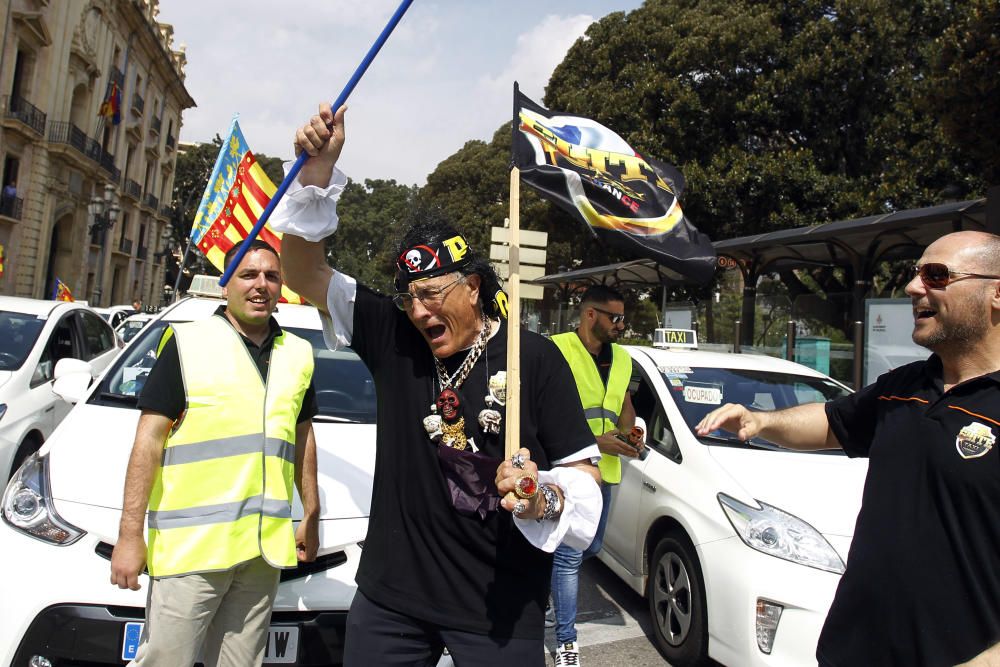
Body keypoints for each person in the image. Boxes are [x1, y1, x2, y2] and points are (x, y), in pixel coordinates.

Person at [271, 102, 603, 667]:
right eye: (411, 297)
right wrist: (318, 172)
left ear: (473, 288)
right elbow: (303, 271)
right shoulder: (391, 335)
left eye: (433, 294)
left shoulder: (535, 359)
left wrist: (540, 496)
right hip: (391, 600)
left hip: (497, 610)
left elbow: (586, 482)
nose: (420, 311)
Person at [696, 230, 1000, 667]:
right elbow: (833, 421)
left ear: (996, 293)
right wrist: (761, 420)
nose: (914, 288)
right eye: (915, 274)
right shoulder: (905, 385)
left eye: (936, 275)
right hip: (852, 651)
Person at [110, 239, 321, 667]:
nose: (261, 285)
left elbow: (302, 436)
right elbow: (147, 443)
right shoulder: (187, 343)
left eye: (271, 276)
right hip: (192, 553)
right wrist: (129, 536)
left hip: (261, 554)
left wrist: (312, 513)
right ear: (225, 286)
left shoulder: (298, 354)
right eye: (247, 275)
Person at [548, 285, 644, 666]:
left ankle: (545, 590)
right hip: (568, 466)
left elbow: (625, 405)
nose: (621, 326)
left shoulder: (622, 358)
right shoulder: (557, 349)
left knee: (591, 546)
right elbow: (542, 411)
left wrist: (629, 433)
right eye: (614, 318)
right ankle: (566, 642)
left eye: (623, 319)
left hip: (608, 470)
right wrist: (595, 441)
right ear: (590, 314)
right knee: (570, 557)